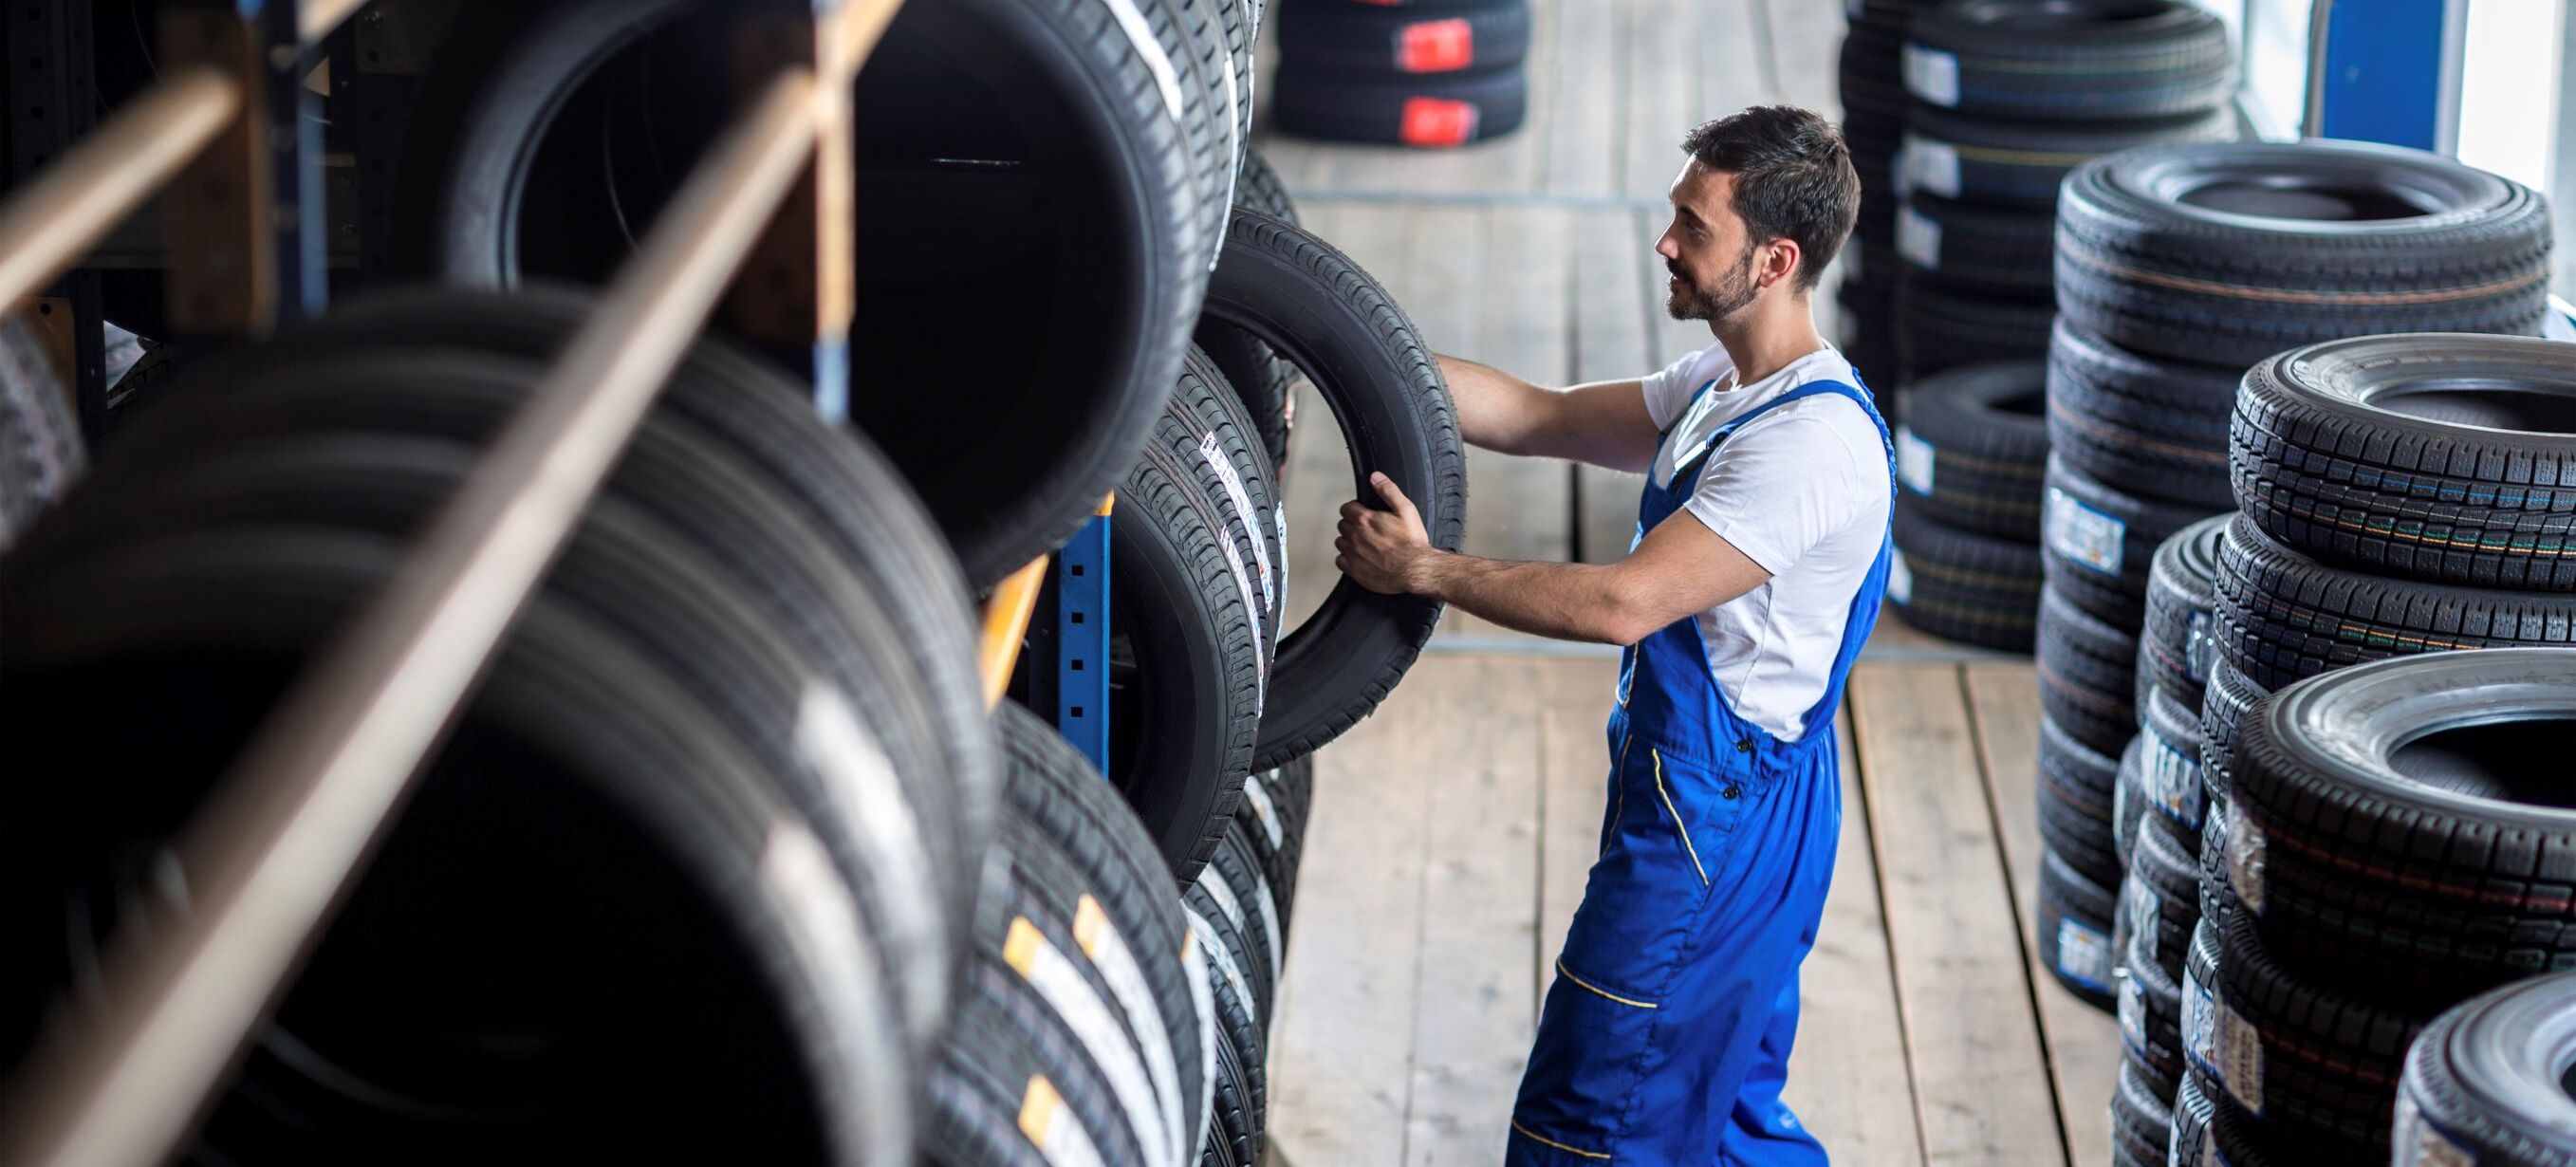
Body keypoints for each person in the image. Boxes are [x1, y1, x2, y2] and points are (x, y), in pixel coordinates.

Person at [1334, 104, 1887, 1166]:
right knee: (1719, 1111)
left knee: (1594, 1118)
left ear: (1774, 261)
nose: (1666, 243)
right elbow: (1534, 416)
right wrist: (1338, 343)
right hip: (1711, 798)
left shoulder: (1809, 443)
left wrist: (1424, 570)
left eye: (1696, 227)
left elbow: (1624, 604)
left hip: (1720, 826)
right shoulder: (1724, 387)